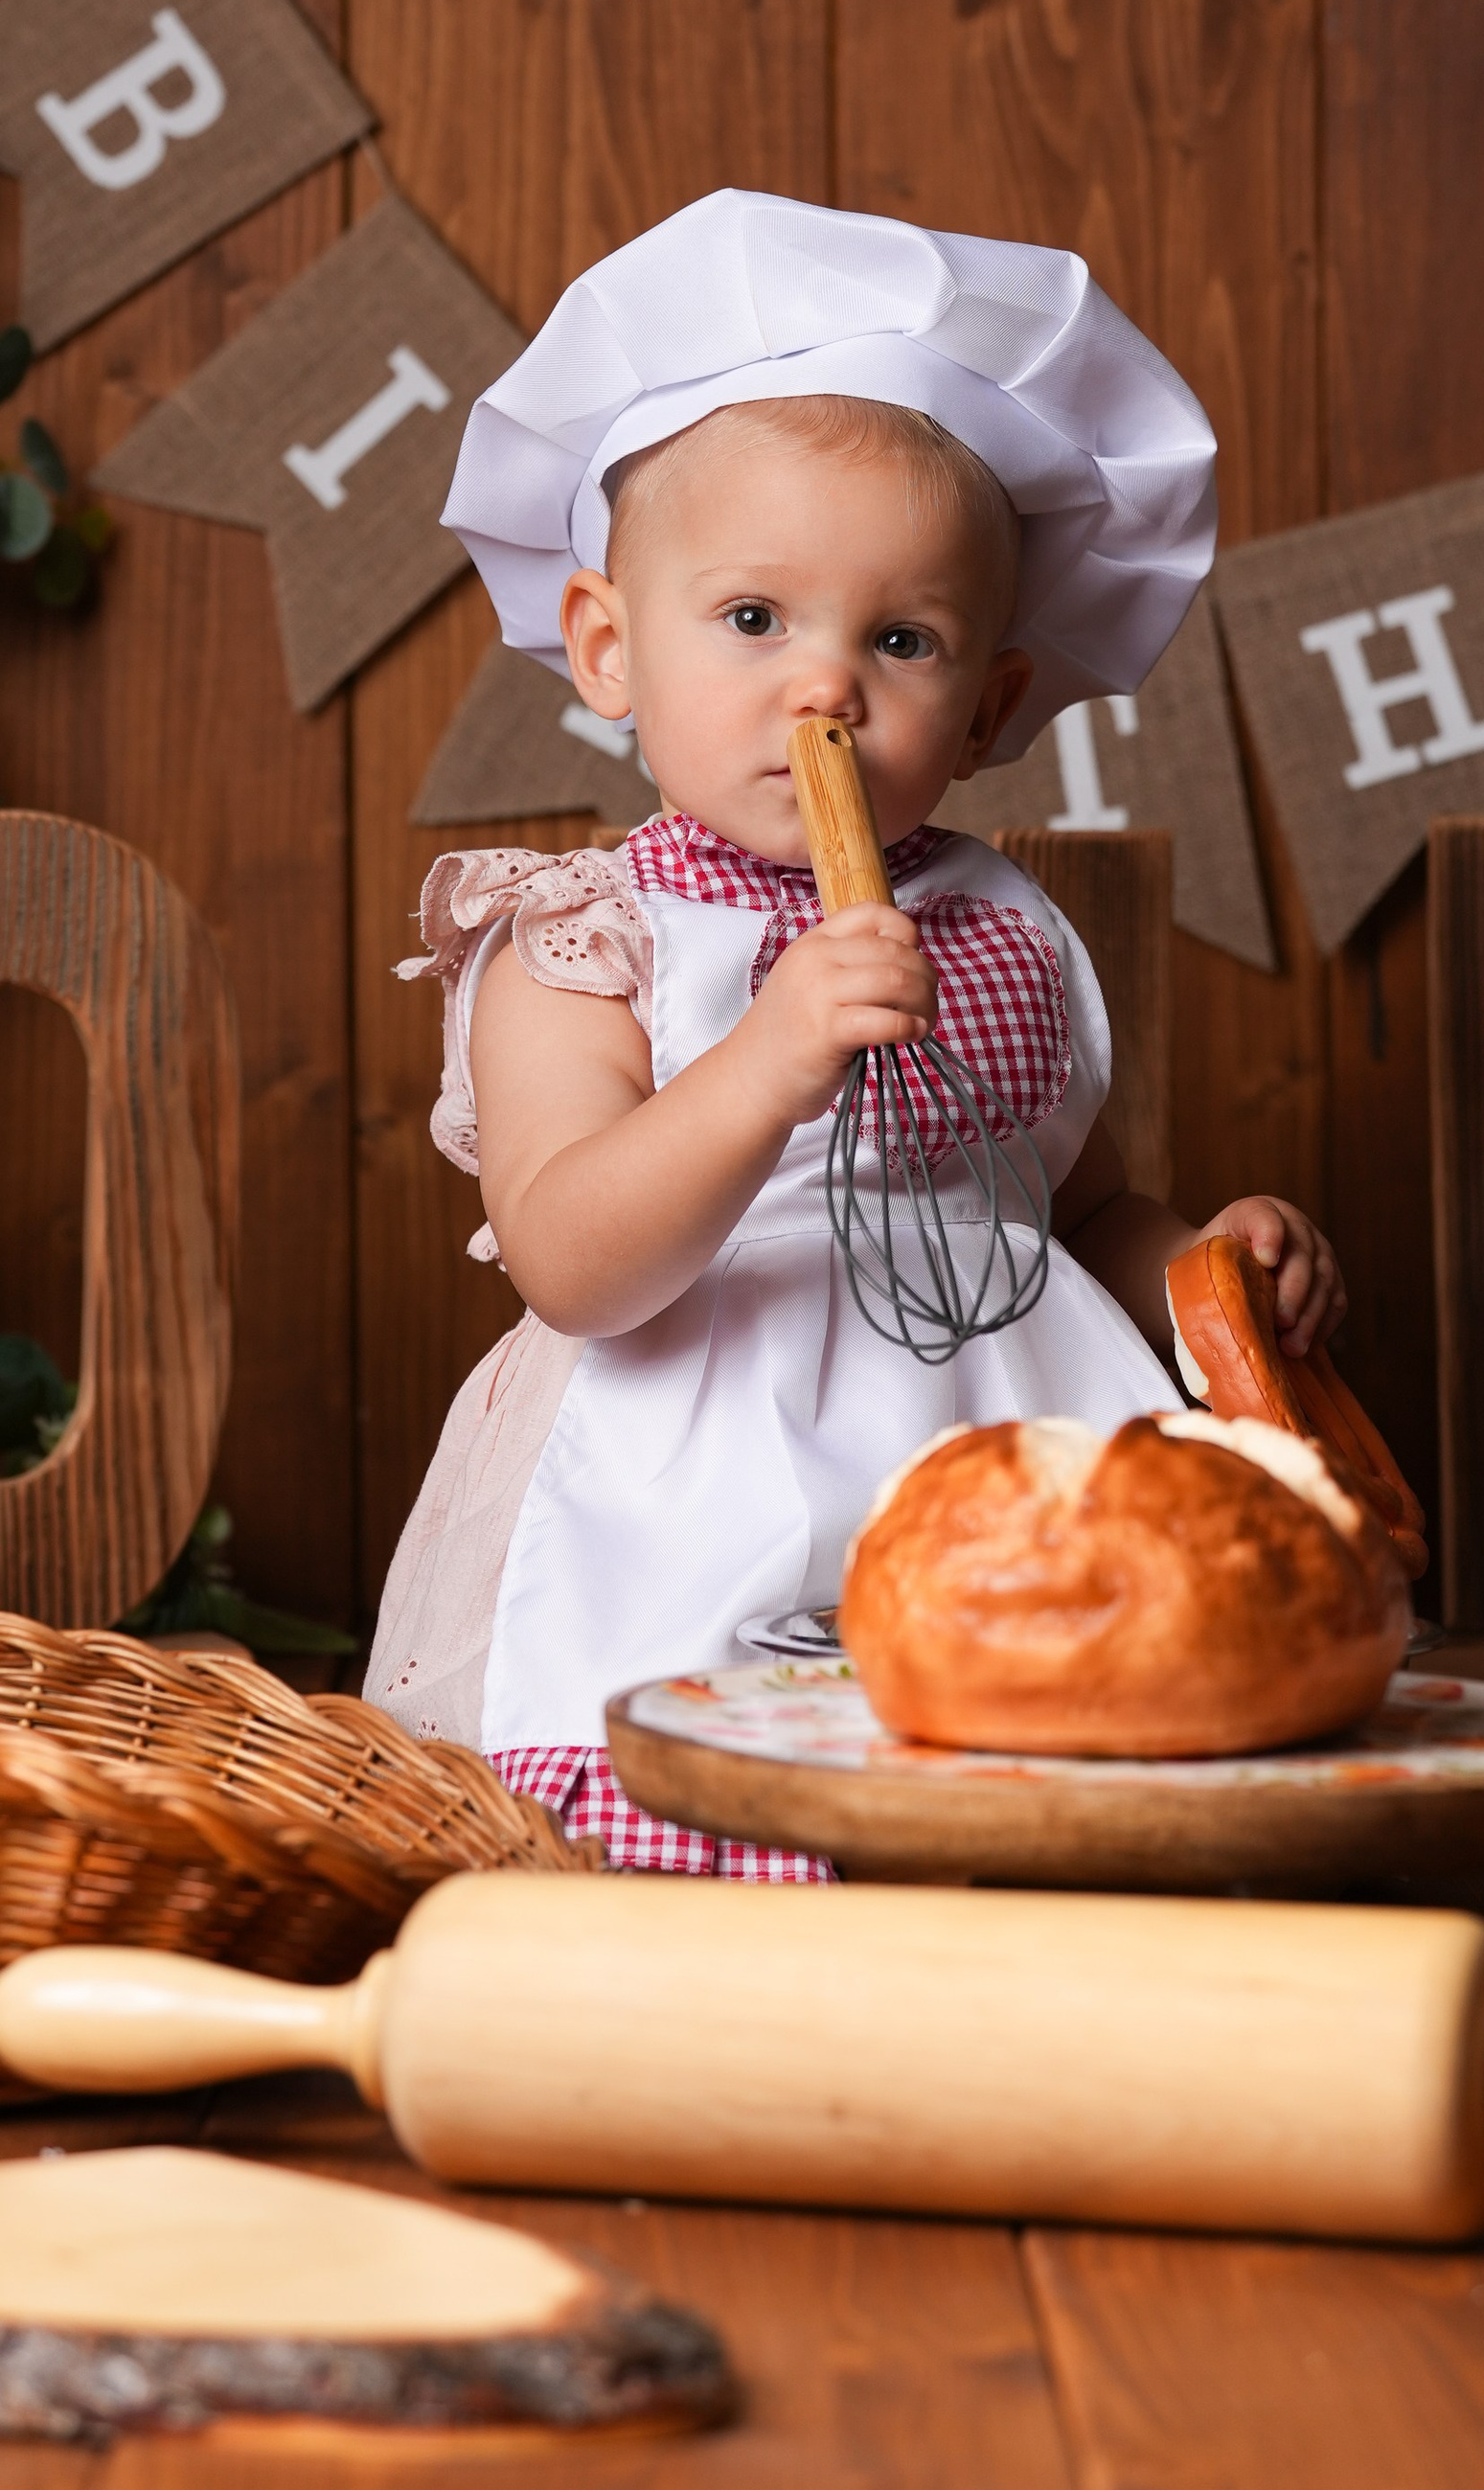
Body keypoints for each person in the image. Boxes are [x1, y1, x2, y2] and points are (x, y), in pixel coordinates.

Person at [366, 192, 1343, 1874]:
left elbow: (1074, 1211)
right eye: (753, 621)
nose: (824, 688)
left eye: (900, 640)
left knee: (1039, 1827)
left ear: (991, 708)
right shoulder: (582, 939)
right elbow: (573, 1265)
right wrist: (767, 1061)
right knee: (715, 1824)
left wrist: (1211, 1271)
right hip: (690, 1490)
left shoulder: (997, 923)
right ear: (608, 646)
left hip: (1007, 1450)